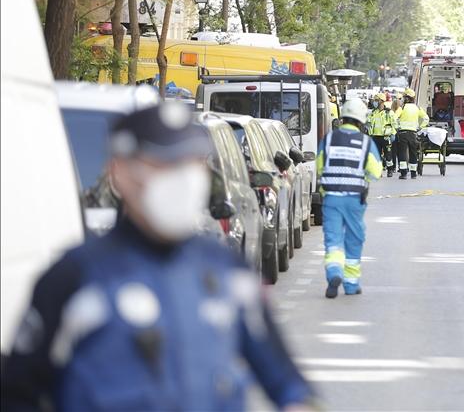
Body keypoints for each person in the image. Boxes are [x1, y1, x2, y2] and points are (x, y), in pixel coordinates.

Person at [0, 104, 313, 411]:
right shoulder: (73, 278)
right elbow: (18, 391)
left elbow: (288, 384)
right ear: (120, 172)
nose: (184, 179)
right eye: (165, 164)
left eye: (192, 164)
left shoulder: (228, 273)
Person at [317, 98, 383, 298]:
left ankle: (334, 273)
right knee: (354, 239)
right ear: (361, 120)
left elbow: (319, 167)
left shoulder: (328, 139)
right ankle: (351, 284)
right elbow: (376, 172)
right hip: (354, 199)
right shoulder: (365, 143)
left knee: (333, 239)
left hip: (331, 198)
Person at [394, 88, 428, 180]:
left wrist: (396, 127)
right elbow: (426, 118)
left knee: (402, 153)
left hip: (402, 133)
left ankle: (404, 173)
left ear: (407, 98)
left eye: (404, 97)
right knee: (413, 153)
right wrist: (420, 127)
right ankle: (413, 173)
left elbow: (393, 118)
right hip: (413, 133)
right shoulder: (417, 108)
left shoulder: (402, 108)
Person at [368, 93, 396, 177]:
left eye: (376, 100)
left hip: (386, 137)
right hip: (375, 136)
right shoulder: (373, 112)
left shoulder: (389, 112)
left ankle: (390, 170)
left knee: (388, 155)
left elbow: (395, 124)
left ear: (382, 101)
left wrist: (391, 134)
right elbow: (368, 123)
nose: (374, 102)